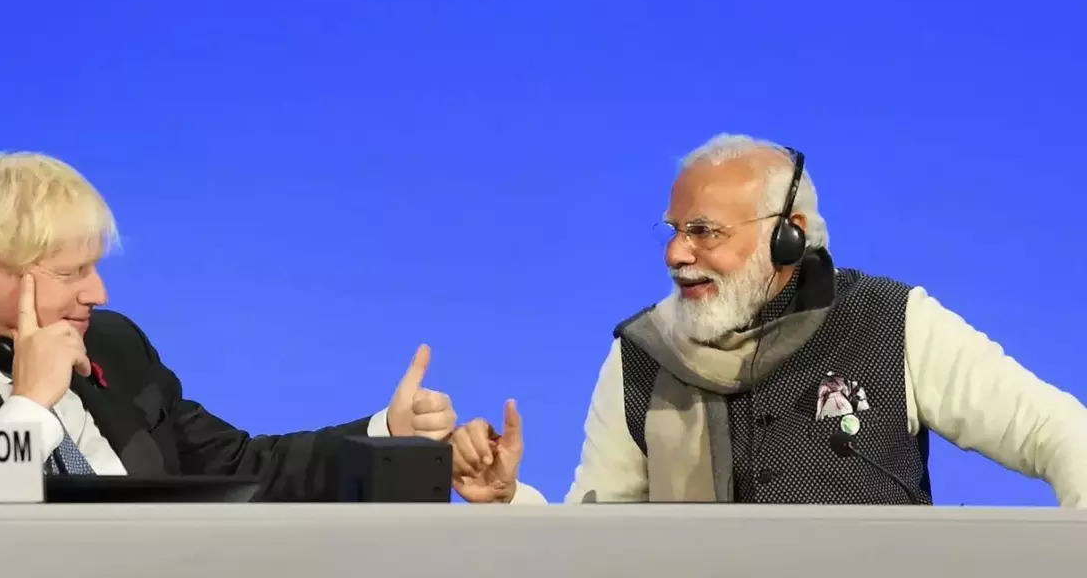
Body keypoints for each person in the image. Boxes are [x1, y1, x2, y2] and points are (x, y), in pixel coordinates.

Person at [450, 133, 1087, 506]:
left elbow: (1057, 431)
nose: (676, 253)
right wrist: (510, 503)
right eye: (674, 231)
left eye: (704, 231)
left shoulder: (895, 324)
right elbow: (598, 540)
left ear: (788, 236)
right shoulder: (642, 354)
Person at [0, 151, 457, 501]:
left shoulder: (114, 344)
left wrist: (388, 432)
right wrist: (29, 409)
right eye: (72, 273)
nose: (98, 292)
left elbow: (243, 467)